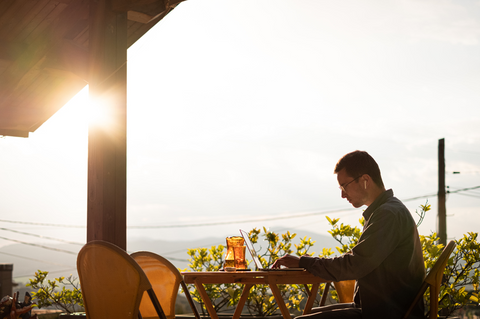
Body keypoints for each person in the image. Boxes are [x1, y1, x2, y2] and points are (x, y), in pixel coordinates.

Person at [272, 150, 425, 319]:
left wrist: (304, 261)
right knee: (308, 314)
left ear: (365, 180)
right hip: (380, 308)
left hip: (387, 313)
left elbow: (354, 264)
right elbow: (358, 260)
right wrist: (308, 262)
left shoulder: (388, 214)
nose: (343, 194)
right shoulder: (387, 210)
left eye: (345, 186)